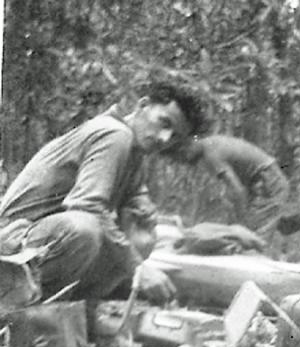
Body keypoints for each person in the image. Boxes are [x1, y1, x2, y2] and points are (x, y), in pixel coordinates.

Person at [0, 80, 208, 308]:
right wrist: (139, 268)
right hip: (11, 245)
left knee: (139, 237)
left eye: (176, 136)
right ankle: (32, 317)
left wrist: (142, 209)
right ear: (143, 105)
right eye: (164, 123)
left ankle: (81, 311)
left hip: (38, 246)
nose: (164, 138)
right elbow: (86, 206)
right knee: (83, 229)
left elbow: (135, 204)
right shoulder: (115, 135)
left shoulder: (135, 152)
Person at [182, 135, 300, 243]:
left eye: (185, 150)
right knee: (249, 230)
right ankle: (285, 219)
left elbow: (237, 190)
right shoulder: (211, 144)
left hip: (268, 181)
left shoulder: (211, 153)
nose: (185, 155)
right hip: (259, 181)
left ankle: (291, 218)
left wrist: (241, 224)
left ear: (193, 141)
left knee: (254, 238)